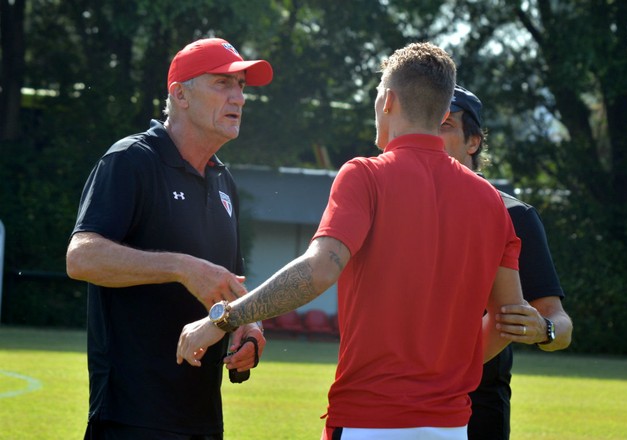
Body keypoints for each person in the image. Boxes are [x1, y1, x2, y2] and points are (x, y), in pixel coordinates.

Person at [177, 42, 526, 440]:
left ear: (388, 100)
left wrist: (223, 318)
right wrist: (445, 374)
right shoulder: (490, 200)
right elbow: (507, 318)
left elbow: (319, 268)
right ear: (444, 112)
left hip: (369, 419)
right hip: (452, 426)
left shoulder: (365, 174)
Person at [65, 37, 272, 439]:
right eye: (222, 84)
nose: (239, 98)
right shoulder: (130, 160)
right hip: (132, 417)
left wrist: (249, 327)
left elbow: (230, 288)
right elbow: (81, 257)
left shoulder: (223, 179)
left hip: (203, 419)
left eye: (241, 87)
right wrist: (180, 267)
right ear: (180, 95)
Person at [439, 85, 574, 440]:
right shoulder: (395, 204)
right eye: (426, 124)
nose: (432, 135)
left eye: (446, 124)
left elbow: (560, 323)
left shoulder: (515, 215)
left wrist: (542, 329)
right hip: (395, 398)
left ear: (474, 141)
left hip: (478, 406)